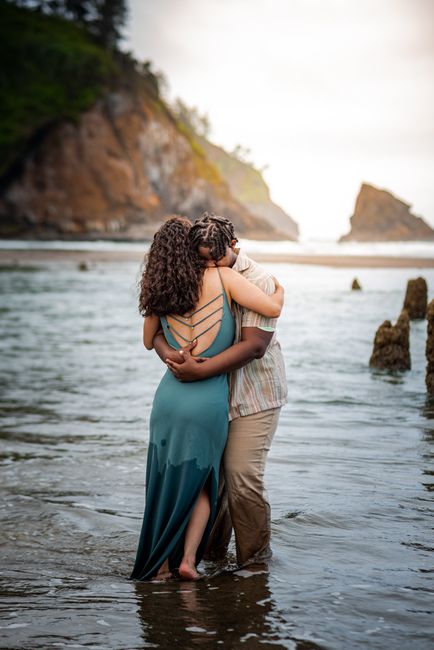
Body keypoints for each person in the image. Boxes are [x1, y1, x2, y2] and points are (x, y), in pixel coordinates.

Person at [130, 216, 284, 581]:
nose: (208, 264)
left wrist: (176, 359)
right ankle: (194, 560)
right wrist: (280, 293)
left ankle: (168, 563)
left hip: (179, 394)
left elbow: (150, 339)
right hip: (209, 397)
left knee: (168, 478)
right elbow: (272, 309)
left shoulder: (165, 290)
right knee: (205, 482)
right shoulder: (225, 278)